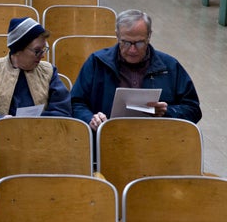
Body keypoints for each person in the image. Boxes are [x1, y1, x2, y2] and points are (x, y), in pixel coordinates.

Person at [71, 9, 201, 131]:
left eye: (139, 43)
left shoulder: (169, 66)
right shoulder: (97, 63)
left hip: (156, 140)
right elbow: (75, 103)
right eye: (126, 43)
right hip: (108, 138)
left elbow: (193, 109)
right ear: (117, 36)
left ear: (149, 36)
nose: (132, 50)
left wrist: (167, 112)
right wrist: (90, 119)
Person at [0, 17, 72, 139]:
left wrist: (37, 124)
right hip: (0, 140)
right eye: (37, 51)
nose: (43, 55)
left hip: (42, 139)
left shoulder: (49, 71)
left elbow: (63, 111)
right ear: (18, 50)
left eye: (44, 49)